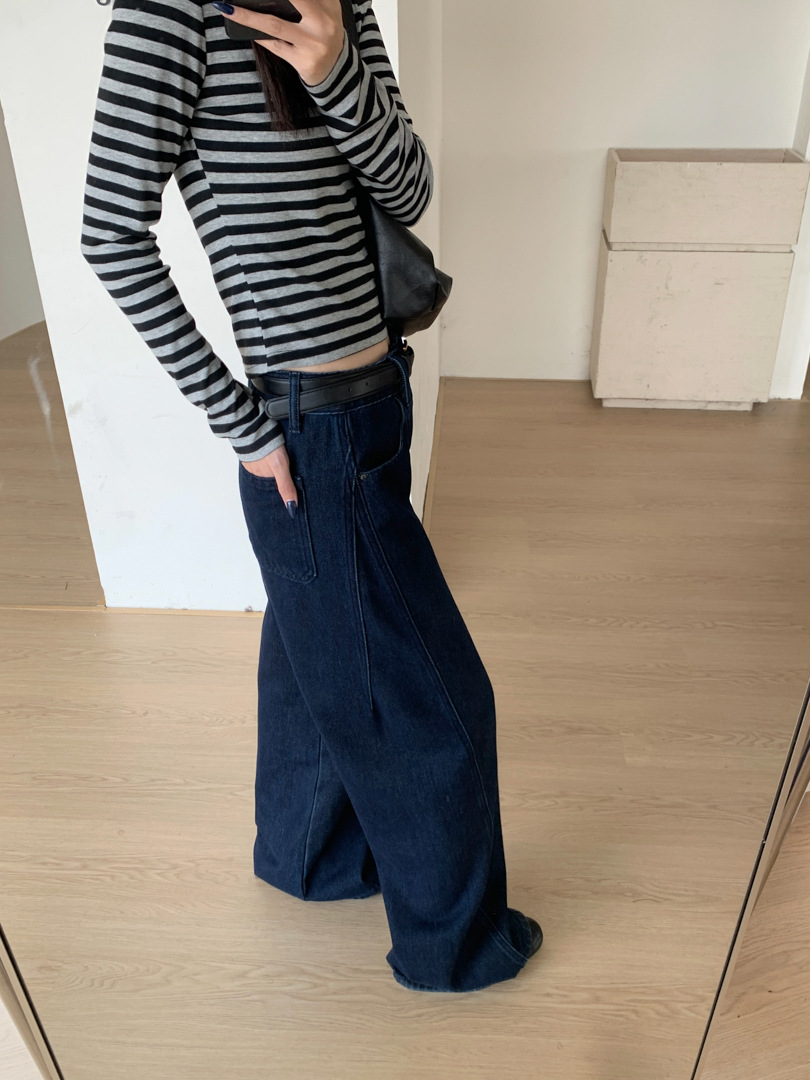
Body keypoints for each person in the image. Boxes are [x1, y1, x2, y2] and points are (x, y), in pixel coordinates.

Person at [80, 0, 543, 992]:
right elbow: (109, 232)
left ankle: (313, 858)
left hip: (378, 396)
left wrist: (334, 70)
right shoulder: (171, 10)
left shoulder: (341, 4)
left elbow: (408, 188)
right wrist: (243, 426)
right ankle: (455, 948)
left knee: (313, 657)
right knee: (436, 702)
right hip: (307, 427)